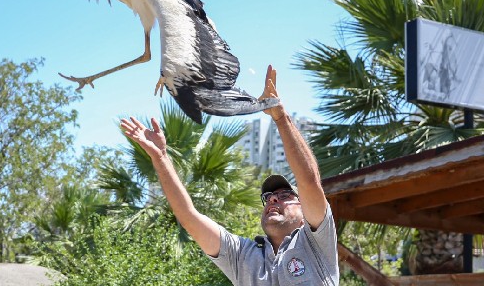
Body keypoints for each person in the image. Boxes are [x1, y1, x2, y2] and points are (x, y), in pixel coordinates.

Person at [120, 65, 339, 285]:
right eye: (269, 197)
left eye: (284, 195)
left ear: (304, 211)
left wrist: (280, 117)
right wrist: (161, 158)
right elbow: (188, 216)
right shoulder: (241, 254)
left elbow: (309, 182)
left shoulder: (316, 241)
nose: (272, 198)